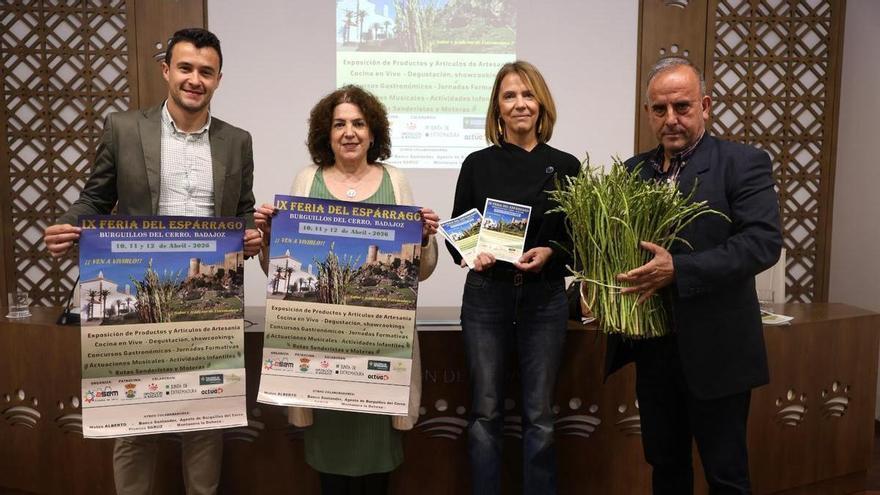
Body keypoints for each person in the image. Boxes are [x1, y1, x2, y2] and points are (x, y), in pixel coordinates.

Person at [42, 28, 262, 495]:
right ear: (166, 70)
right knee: (134, 421)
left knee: (206, 420)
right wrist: (67, 224)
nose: (194, 79)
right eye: (185, 68)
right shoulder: (124, 127)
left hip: (207, 303)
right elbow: (95, 199)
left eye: (206, 71)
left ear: (219, 79)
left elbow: (243, 209)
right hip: (138, 300)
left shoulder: (237, 141)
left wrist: (250, 236)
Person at [605, 56, 783, 494]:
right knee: (666, 469)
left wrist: (679, 270)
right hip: (655, 353)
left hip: (718, 352)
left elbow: (762, 242)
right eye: (659, 109)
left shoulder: (741, 163)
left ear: (705, 105)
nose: (671, 119)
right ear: (647, 112)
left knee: (726, 475)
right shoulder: (632, 172)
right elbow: (620, 247)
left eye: (682, 107)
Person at [254, 85, 438, 495]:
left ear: (373, 133)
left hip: (381, 355)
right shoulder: (307, 180)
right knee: (330, 473)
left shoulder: (396, 180)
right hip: (320, 353)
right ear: (327, 133)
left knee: (378, 470)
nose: (349, 132)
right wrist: (270, 239)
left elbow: (420, 272)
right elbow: (277, 270)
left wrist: (424, 239)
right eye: (340, 124)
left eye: (359, 123)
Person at [447, 61, 580, 495]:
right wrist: (474, 253)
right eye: (509, 96)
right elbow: (455, 237)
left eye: (527, 94)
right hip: (487, 298)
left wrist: (550, 253)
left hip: (545, 299)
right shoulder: (477, 164)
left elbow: (577, 241)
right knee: (485, 413)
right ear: (497, 110)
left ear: (541, 103)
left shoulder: (566, 165)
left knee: (539, 415)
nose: (519, 103)